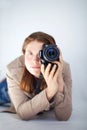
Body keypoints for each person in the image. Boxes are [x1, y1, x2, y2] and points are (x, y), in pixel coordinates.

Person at [6, 31, 72, 121]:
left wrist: (59, 79)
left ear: (53, 53)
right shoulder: (12, 70)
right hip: (12, 86)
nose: (35, 60)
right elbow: (22, 113)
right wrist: (49, 92)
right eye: (30, 53)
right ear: (24, 54)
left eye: (41, 54)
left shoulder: (64, 68)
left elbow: (64, 117)